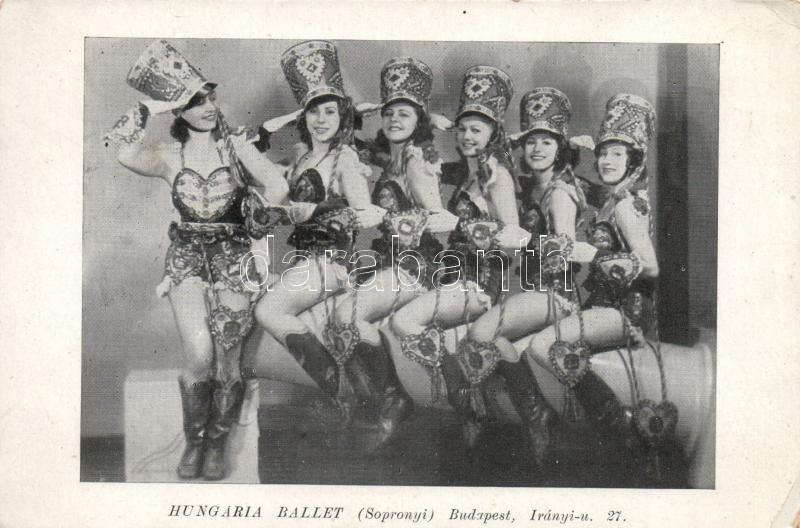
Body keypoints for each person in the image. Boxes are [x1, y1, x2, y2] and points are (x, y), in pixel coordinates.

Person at [104, 40, 285, 480]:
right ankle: (195, 442)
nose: (206, 107)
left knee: (228, 357)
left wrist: (259, 212)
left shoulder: (236, 147)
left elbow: (277, 185)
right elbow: (121, 149)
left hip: (234, 258)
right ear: (178, 111)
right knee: (200, 355)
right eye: (193, 102)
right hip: (186, 258)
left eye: (209, 98)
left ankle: (216, 445)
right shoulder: (169, 155)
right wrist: (149, 106)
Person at [390, 66, 530, 448]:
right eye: (463, 129)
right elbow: (405, 155)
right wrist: (426, 124)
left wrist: (461, 227)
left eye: (477, 130)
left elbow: (515, 239)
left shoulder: (496, 176)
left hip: (480, 284)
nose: (467, 136)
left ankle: (464, 401)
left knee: (404, 321)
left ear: (493, 134)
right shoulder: (465, 173)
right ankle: (468, 402)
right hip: (454, 280)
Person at [329, 57, 457, 446]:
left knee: (346, 316)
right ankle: (377, 399)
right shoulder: (390, 156)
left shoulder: (416, 159)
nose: (394, 120)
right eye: (388, 113)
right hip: (389, 263)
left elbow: (437, 217)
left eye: (404, 114)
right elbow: (343, 144)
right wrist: (357, 114)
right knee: (341, 316)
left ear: (419, 120)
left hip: (416, 265)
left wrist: (387, 218)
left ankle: (394, 397)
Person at [252, 41, 382, 422]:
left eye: (330, 111)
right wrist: (269, 128)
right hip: (305, 263)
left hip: (333, 263)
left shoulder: (346, 157)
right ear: (303, 114)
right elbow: (258, 166)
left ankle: (340, 390)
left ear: (344, 116)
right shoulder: (300, 154)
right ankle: (343, 388)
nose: (321, 120)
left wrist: (318, 210)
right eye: (313, 111)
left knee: (268, 311)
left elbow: (364, 214)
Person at [457, 87, 588, 461]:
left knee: (482, 333)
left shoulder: (560, 191)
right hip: (529, 292)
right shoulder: (534, 186)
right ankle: (531, 414)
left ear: (560, 148)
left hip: (556, 295)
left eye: (547, 142)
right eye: (531, 141)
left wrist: (520, 238)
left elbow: (564, 249)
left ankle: (536, 415)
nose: (537, 149)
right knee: (490, 338)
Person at [525, 93, 661, 448]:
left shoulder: (626, 207)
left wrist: (593, 256)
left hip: (625, 311)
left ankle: (620, 423)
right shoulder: (613, 202)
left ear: (633, 160)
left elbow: (651, 267)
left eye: (617, 154)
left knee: (544, 345)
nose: (606, 160)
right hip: (602, 307)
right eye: (602, 153)